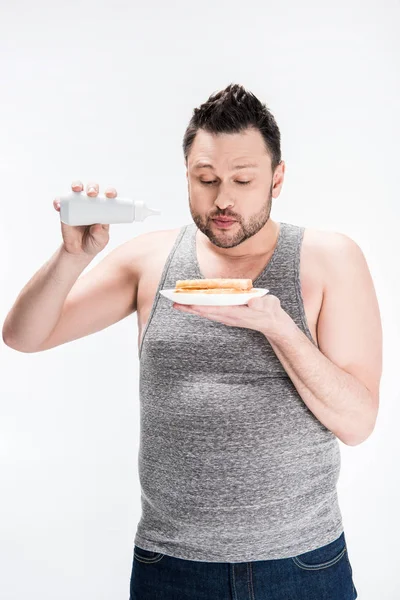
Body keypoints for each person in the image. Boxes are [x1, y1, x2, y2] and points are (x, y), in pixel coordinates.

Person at [2, 83, 382, 599]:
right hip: (172, 567)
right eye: (206, 180)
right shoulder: (150, 260)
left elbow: (358, 423)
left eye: (243, 180)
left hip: (302, 565)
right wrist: (73, 255)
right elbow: (23, 336)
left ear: (277, 178)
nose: (223, 199)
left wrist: (278, 327)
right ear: (187, 176)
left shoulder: (329, 259)